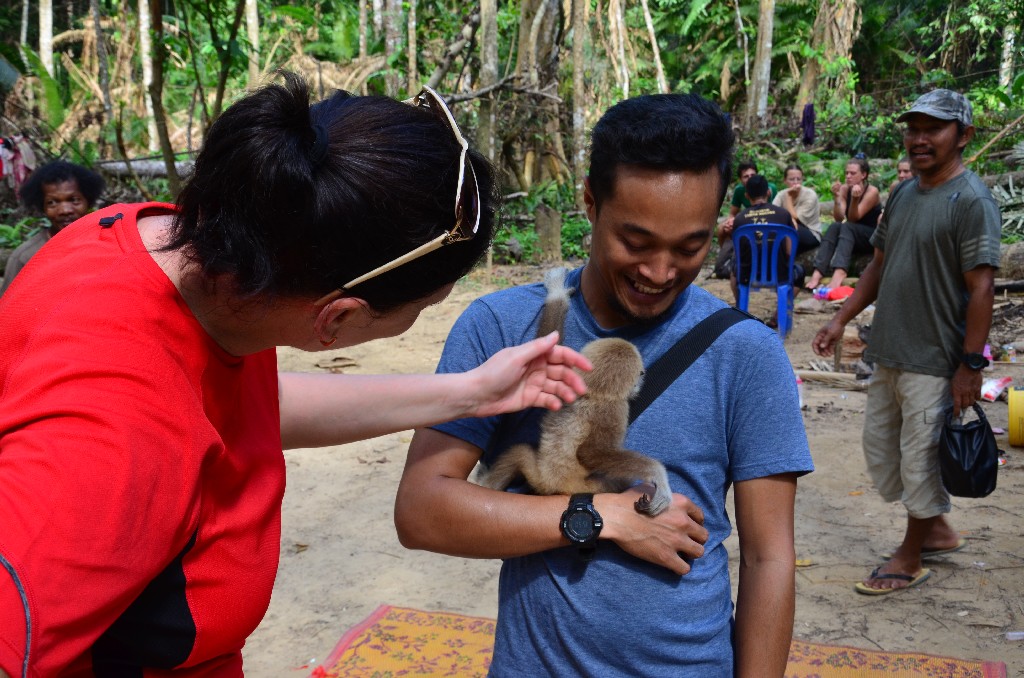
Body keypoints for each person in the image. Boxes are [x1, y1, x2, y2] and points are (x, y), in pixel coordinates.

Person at [0, 73, 593, 676]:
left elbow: (234, 408)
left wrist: (469, 392)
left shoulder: (156, 244)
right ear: (336, 318)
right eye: (420, 310)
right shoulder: (111, 442)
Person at [395, 93, 813, 676]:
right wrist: (598, 516)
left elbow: (770, 558)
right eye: (636, 243)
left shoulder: (746, 354)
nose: (660, 272)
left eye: (690, 247)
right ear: (590, 203)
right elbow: (421, 510)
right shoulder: (500, 327)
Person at [812, 89, 1001, 595]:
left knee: (919, 457)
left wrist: (970, 364)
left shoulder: (972, 201)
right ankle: (937, 527)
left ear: (963, 136)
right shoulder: (903, 193)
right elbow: (877, 264)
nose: (919, 139)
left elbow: (981, 287)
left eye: (932, 128)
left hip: (936, 359)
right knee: (883, 454)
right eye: (913, 128)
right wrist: (841, 318)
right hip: (889, 348)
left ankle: (911, 553)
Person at [0, 159, 104, 296]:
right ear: (42, 207)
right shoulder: (26, 257)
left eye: (74, 200)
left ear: (88, 201)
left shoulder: (105, 245)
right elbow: (8, 309)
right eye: (52, 203)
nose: (65, 210)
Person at [804, 156, 882, 290]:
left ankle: (840, 270)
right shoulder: (845, 189)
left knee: (848, 227)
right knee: (835, 227)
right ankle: (818, 271)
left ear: (863, 175)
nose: (848, 176)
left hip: (870, 237)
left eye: (853, 173)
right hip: (852, 234)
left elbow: (853, 218)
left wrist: (855, 200)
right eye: (846, 173)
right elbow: (839, 218)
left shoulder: (872, 191)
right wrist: (836, 198)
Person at [730, 173, 803, 305]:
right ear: (769, 192)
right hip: (780, 274)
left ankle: (741, 309)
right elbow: (789, 251)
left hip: (747, 275)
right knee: (800, 272)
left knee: (734, 270)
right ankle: (778, 316)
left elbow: (738, 253)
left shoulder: (740, 218)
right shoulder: (783, 214)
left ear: (747, 196)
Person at [711, 161, 777, 279]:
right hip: (747, 220)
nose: (749, 178)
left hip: (766, 222)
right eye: (746, 176)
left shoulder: (768, 187)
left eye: (752, 175)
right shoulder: (739, 190)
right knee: (722, 228)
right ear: (741, 179)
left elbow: (775, 210)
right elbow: (732, 213)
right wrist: (730, 221)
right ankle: (728, 258)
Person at [772, 164, 821, 255]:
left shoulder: (810, 195)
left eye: (799, 179)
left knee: (788, 228)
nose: (796, 183)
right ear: (785, 181)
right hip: (788, 230)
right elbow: (772, 214)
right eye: (791, 179)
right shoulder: (781, 194)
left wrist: (789, 197)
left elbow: (795, 218)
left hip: (810, 232)